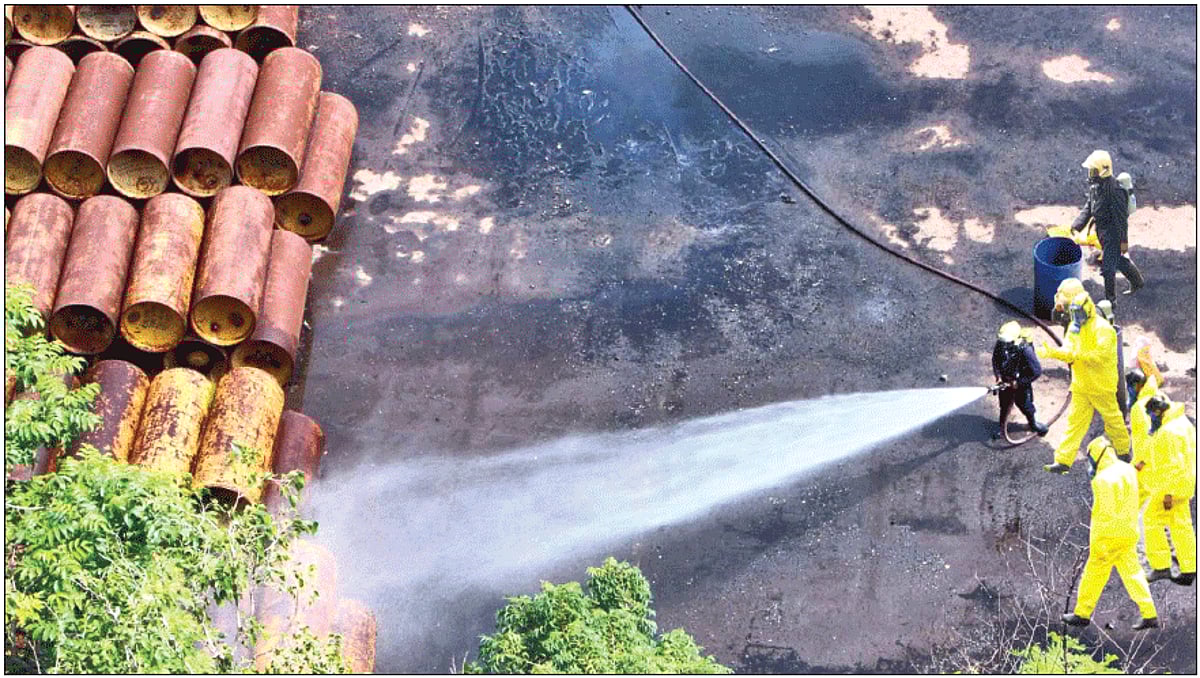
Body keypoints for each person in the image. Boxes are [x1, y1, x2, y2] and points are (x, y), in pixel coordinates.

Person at [1062, 436, 1158, 630]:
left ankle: (1082, 613)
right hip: (1129, 532)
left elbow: (1104, 513)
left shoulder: (1101, 480)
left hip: (1108, 537)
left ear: (1097, 456)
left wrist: (1100, 543)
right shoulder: (1128, 470)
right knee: (1133, 573)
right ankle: (1149, 613)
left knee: (1094, 574)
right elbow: (1143, 489)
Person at [1038, 291, 1130, 473]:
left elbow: (1099, 356)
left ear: (1088, 309)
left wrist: (1074, 355)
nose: (1076, 317)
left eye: (1079, 313)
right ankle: (1063, 461)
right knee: (1075, 423)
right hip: (1081, 385)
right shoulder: (1075, 326)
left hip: (1101, 386)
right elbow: (1069, 349)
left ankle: (1123, 453)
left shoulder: (1104, 330)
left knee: (1113, 419)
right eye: (1074, 314)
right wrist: (1053, 353)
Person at [1071, 150, 1144, 302]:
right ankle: (1137, 282)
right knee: (1118, 261)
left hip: (1114, 235)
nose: (1090, 174)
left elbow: (1121, 220)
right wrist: (1076, 226)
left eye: (1094, 170)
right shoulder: (1095, 189)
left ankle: (1110, 302)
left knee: (1108, 269)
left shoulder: (1116, 192)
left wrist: (1123, 244)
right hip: (1102, 233)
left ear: (1102, 171)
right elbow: (1089, 208)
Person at [1141, 394, 1196, 586]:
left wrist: (1168, 494)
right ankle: (1189, 569)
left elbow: (1174, 465)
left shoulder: (1167, 432)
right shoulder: (1181, 423)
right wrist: (1142, 461)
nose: (1150, 418)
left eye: (1151, 414)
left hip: (1169, 487)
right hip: (1186, 484)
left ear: (1158, 411)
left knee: (1150, 519)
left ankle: (1161, 566)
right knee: (1182, 525)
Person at [991, 321, 1049, 437]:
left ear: (1016, 339)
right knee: (1004, 405)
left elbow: (1036, 371)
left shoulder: (1025, 350)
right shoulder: (1001, 344)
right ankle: (1002, 427)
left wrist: (1019, 382)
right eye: (1003, 342)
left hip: (1021, 383)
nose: (1004, 345)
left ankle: (1033, 424)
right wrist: (998, 375)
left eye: (1007, 342)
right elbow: (995, 359)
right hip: (1005, 380)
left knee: (1025, 405)